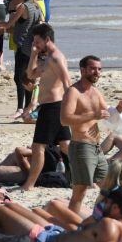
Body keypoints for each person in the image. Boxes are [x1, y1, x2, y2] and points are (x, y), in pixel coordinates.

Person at [63, 55, 122, 214]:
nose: (97, 72)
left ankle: (106, 217)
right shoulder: (73, 92)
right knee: (80, 192)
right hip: (81, 147)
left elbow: (107, 116)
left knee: (109, 186)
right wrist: (93, 115)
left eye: (99, 69)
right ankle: (70, 226)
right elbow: (65, 119)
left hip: (96, 148)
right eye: (93, 68)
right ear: (82, 70)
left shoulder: (96, 92)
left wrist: (119, 108)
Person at [20, 23, 71, 191]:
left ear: (47, 39)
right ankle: (81, 177)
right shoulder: (48, 57)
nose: (35, 44)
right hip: (51, 106)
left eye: (37, 41)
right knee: (65, 145)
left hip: (53, 107)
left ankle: (29, 185)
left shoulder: (56, 57)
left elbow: (67, 82)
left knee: (38, 146)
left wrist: (70, 105)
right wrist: (34, 54)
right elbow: (31, 74)